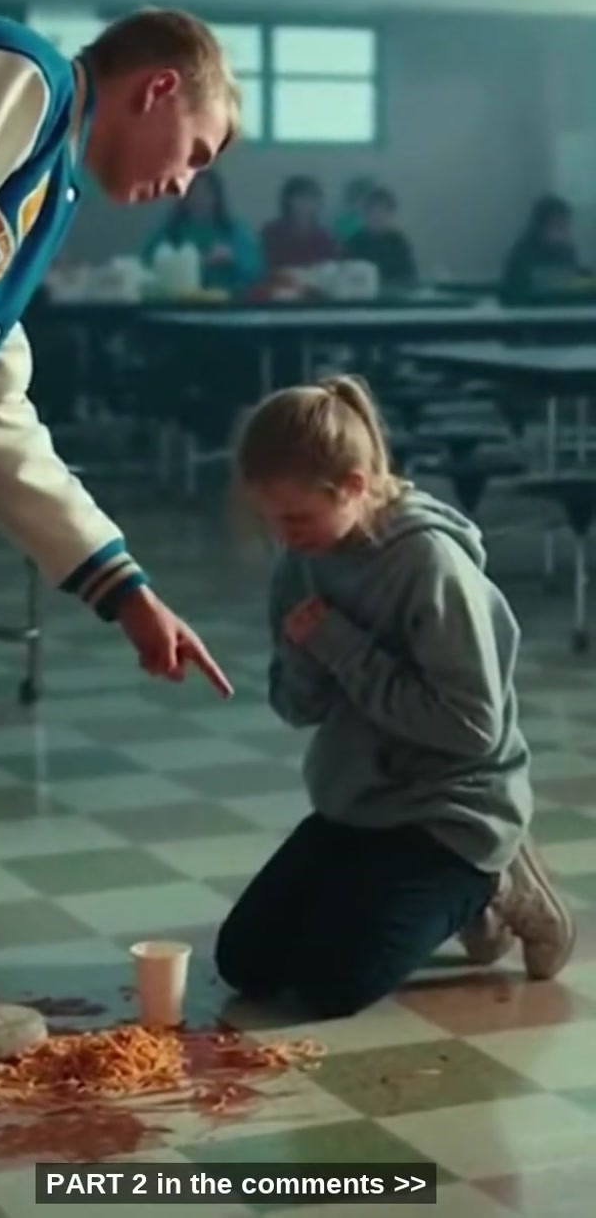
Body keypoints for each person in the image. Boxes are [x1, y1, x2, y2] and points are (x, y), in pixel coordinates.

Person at [0, 0, 239, 1072]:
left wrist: (126, 590)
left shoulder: (38, 195)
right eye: (199, 151)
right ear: (158, 87)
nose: (188, 183)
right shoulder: (18, 78)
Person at [215, 377, 574, 1019]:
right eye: (271, 519)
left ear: (354, 486)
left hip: (451, 807)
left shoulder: (430, 564)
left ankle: (499, 879)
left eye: (296, 518)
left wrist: (340, 645)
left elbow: (472, 729)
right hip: (360, 800)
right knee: (246, 964)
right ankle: (418, 898)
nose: (283, 536)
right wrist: (306, 652)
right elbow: (298, 708)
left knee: (332, 986)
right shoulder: (301, 559)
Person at [144, 170, 261, 294]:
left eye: (206, 193)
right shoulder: (171, 231)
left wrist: (232, 258)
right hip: (178, 300)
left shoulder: (233, 230)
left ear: (217, 198)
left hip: (227, 301)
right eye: (194, 193)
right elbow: (147, 265)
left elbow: (255, 270)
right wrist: (193, 263)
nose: (200, 198)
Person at [501, 195, 583, 302]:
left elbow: (572, 285)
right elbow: (514, 291)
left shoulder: (567, 252)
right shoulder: (521, 254)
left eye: (565, 226)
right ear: (541, 227)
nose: (564, 232)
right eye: (558, 226)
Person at [344, 186, 417, 292]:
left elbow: (410, 276)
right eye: (374, 211)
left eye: (384, 211)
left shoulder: (399, 242)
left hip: (395, 297)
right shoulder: (354, 242)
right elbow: (346, 279)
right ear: (366, 214)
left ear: (390, 215)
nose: (379, 216)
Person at [261, 176, 337, 274]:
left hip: (316, 280)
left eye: (312, 199)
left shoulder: (323, 235)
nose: (306, 204)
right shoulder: (272, 231)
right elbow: (270, 267)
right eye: (301, 198)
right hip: (282, 280)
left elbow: (330, 265)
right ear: (288, 200)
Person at [332, 176, 375, 246]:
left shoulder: (377, 222)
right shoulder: (342, 223)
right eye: (358, 198)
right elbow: (340, 245)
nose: (363, 202)